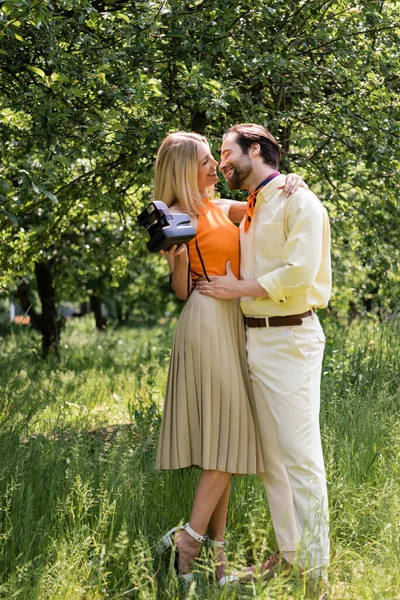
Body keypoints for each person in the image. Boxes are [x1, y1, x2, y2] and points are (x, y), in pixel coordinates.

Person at [153, 131, 307, 586]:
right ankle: (190, 540)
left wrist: (291, 180)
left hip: (234, 322)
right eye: (205, 160)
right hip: (205, 322)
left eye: (215, 159)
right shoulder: (175, 216)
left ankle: (215, 564)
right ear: (185, 168)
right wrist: (178, 259)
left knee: (226, 440)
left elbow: (270, 203)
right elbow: (181, 291)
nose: (214, 168)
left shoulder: (223, 208)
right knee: (230, 435)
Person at [196, 123, 331, 599]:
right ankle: (292, 557)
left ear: (255, 149)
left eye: (227, 153)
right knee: (270, 461)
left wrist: (239, 289)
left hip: (292, 338)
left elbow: (299, 271)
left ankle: (317, 576)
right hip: (254, 342)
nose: (223, 162)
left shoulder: (301, 201)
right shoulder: (252, 208)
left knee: (301, 458)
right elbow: (192, 206)